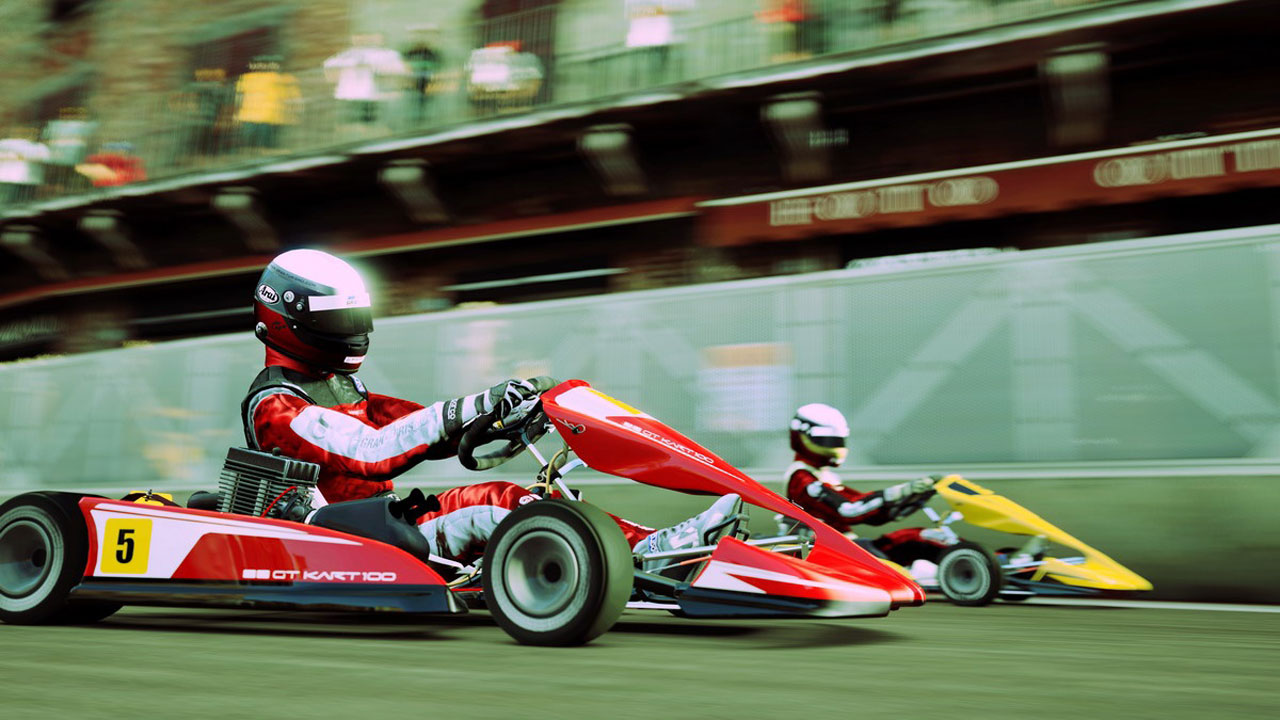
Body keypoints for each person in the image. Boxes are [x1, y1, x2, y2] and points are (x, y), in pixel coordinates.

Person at [243, 248, 743, 572]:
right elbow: (372, 451)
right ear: (285, 319)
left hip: (383, 524)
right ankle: (649, 556)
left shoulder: (341, 385)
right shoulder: (276, 405)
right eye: (335, 318)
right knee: (497, 501)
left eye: (353, 315)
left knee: (534, 498)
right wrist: (472, 407)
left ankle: (652, 547)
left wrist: (499, 415)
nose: (350, 329)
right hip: (340, 541)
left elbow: (416, 425)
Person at [782, 403, 944, 564]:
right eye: (827, 440)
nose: (835, 446)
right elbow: (849, 510)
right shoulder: (801, 477)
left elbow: (868, 511)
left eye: (838, 440)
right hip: (819, 552)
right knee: (911, 542)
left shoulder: (824, 475)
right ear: (801, 437)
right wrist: (903, 491)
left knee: (921, 538)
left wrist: (916, 495)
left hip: (839, 547)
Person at [233, 55, 300, 154]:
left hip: (255, 116)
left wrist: (237, 112)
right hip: (267, 116)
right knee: (265, 146)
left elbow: (239, 96)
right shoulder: (282, 78)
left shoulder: (247, 78)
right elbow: (292, 97)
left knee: (251, 145)